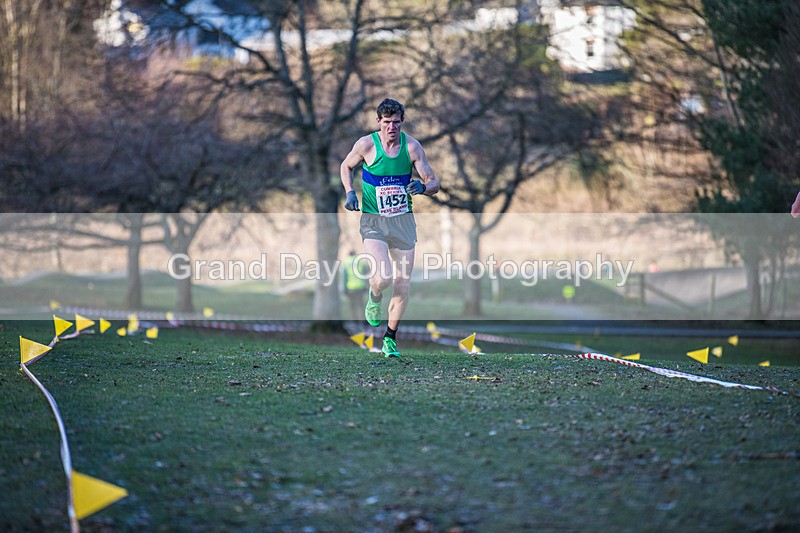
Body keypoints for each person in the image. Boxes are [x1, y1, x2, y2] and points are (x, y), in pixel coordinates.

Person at [340, 98, 440, 358]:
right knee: (383, 277)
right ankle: (374, 296)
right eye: (387, 122)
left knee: (403, 284)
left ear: (401, 122)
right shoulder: (365, 145)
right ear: (378, 122)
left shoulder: (412, 147)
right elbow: (345, 166)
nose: (392, 127)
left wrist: (423, 187)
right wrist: (350, 193)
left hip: (403, 221)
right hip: (373, 220)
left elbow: (433, 182)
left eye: (396, 122)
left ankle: (390, 339)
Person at [342, 249, 368, 321]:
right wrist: (366, 286)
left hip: (350, 288)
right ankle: (363, 321)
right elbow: (365, 276)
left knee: (352, 307)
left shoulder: (346, 263)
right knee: (361, 306)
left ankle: (354, 321)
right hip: (360, 287)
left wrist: (344, 289)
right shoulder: (360, 262)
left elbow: (344, 277)